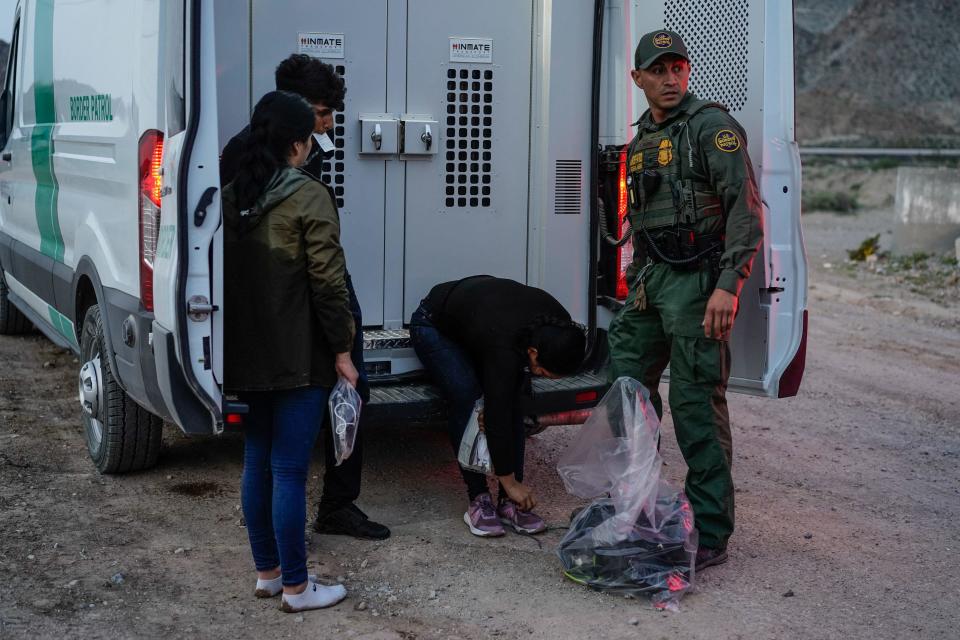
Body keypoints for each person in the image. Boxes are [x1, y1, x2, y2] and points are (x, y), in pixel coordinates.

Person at [607, 29, 764, 571]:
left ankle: (712, 532)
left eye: (678, 68)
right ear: (638, 78)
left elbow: (745, 210)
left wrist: (729, 283)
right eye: (658, 70)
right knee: (625, 392)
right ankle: (639, 504)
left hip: (699, 283)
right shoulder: (644, 137)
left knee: (695, 406)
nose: (670, 78)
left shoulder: (710, 127)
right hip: (652, 281)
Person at [221, 54, 390, 541]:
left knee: (347, 399)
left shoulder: (305, 149)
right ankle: (287, 544)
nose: (329, 123)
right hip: (292, 307)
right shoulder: (243, 156)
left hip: (312, 293)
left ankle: (334, 507)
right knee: (283, 449)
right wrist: (337, 337)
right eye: (320, 111)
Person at [223, 90, 355, 613]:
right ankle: (299, 588)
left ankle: (269, 574)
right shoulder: (308, 195)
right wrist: (342, 351)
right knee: (289, 471)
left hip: (247, 350)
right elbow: (328, 283)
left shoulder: (233, 195)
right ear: (298, 145)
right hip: (300, 354)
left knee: (257, 460)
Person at [410, 276, 587, 537]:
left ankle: (509, 503)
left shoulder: (558, 325)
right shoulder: (504, 343)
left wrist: (511, 486)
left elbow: (506, 405)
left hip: (485, 323)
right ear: (534, 353)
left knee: (511, 403)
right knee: (468, 398)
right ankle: (479, 499)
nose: (541, 377)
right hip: (433, 324)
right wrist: (508, 479)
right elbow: (496, 412)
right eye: (545, 373)